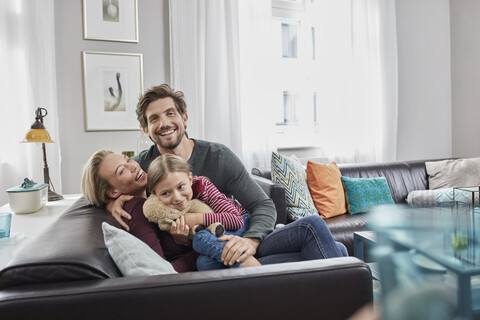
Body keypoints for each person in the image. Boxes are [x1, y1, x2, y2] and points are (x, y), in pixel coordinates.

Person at [107, 84, 347, 267]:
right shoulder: (141, 167)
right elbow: (102, 184)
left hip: (242, 235)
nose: (164, 123)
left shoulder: (218, 155)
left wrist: (251, 241)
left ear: (184, 118)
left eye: (171, 113)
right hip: (212, 252)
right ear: (145, 129)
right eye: (154, 119)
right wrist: (111, 202)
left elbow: (262, 204)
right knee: (336, 250)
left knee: (318, 231)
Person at [146, 153, 261, 269]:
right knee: (203, 263)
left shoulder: (204, 188)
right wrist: (181, 240)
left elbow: (236, 220)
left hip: (242, 220)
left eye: (181, 187)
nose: (177, 197)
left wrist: (195, 218)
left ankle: (258, 273)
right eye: (165, 193)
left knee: (201, 238)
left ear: (190, 179)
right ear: (155, 195)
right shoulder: (162, 210)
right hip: (216, 235)